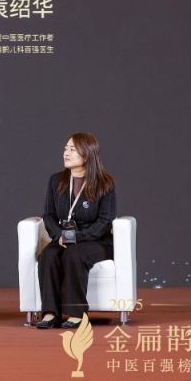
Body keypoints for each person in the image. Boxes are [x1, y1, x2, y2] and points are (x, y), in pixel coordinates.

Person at [36, 133, 116, 329]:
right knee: (48, 255)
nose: (66, 153)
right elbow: (48, 215)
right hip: (64, 238)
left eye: (72, 149)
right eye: (66, 148)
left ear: (87, 155)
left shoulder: (104, 182)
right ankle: (50, 313)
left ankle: (76, 314)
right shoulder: (56, 180)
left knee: (74, 254)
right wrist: (59, 236)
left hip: (97, 241)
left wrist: (78, 237)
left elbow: (105, 221)